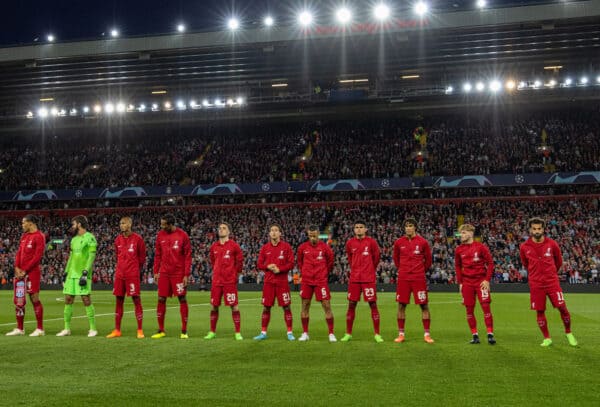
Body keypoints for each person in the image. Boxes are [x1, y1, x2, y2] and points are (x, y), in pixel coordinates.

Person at [519, 217, 578, 347]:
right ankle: (547, 338)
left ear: (544, 229)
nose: (537, 231)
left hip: (552, 283)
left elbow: (559, 262)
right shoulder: (524, 247)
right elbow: (525, 264)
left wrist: (551, 274)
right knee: (540, 311)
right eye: (534, 229)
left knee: (563, 308)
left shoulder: (552, 244)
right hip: (536, 285)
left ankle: (569, 333)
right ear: (530, 230)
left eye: (539, 228)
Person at [392, 218, 434, 344]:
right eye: (406, 226)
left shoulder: (423, 242)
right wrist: (403, 270)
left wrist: (419, 271)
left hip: (418, 278)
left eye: (411, 226)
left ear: (415, 227)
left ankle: (427, 334)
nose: (408, 228)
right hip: (403, 278)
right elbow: (396, 260)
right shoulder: (398, 243)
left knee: (424, 305)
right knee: (401, 306)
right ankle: (401, 334)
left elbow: (428, 261)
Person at [151, 214, 192, 339]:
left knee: (182, 299)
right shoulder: (160, 235)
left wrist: (186, 274)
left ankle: (184, 331)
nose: (162, 226)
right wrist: (156, 271)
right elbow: (157, 254)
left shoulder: (182, 235)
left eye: (164, 224)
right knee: (161, 299)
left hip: (178, 273)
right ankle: (161, 330)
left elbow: (188, 256)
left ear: (170, 224)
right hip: (164, 273)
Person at [341, 221, 383, 343]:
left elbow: (376, 258)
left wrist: (369, 270)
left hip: (368, 279)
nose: (358, 229)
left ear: (365, 229)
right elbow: (350, 258)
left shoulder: (371, 242)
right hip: (354, 279)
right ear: (354, 230)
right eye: (356, 227)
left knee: (373, 304)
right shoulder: (350, 243)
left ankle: (377, 334)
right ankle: (348, 333)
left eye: (361, 227)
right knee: (351, 305)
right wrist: (355, 269)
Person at [56, 215, 98, 337]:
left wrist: (85, 272)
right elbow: (71, 257)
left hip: (82, 274)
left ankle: (93, 328)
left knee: (86, 299)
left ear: (79, 224)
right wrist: (65, 272)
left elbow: (91, 256)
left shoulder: (90, 238)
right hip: (71, 274)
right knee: (68, 299)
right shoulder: (73, 240)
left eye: (73, 224)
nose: (72, 227)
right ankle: (67, 328)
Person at [454, 224, 496, 345]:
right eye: (460, 233)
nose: (461, 235)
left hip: (480, 281)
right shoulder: (459, 250)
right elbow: (457, 266)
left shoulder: (481, 247)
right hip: (467, 283)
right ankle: (475, 335)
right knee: (469, 309)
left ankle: (490, 334)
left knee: (486, 307)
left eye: (463, 233)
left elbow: (491, 264)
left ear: (470, 233)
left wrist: (487, 280)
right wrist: (460, 282)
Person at [107, 216, 146, 339]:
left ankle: (140, 330)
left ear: (129, 224)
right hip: (119, 275)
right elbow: (116, 256)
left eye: (123, 223)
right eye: (120, 223)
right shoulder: (117, 240)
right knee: (119, 301)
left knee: (136, 300)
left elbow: (142, 258)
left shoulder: (138, 239)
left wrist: (133, 269)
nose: (121, 225)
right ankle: (117, 330)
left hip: (132, 275)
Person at [254, 224, 295, 341]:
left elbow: (291, 263)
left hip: (282, 283)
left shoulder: (286, 247)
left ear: (280, 233)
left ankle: (289, 333)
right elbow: (259, 264)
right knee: (266, 308)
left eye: (276, 230)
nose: (274, 232)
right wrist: (268, 266)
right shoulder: (265, 248)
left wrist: (280, 269)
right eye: (272, 230)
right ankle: (263, 332)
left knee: (286, 307)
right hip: (269, 283)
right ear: (269, 233)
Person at [6, 214, 46, 337]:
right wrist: (17, 268)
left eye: (24, 223)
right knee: (19, 300)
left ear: (31, 223)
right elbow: (19, 253)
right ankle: (20, 329)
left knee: (34, 299)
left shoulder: (39, 236)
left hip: (32, 273)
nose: (22, 225)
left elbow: (37, 257)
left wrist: (25, 270)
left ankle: (40, 329)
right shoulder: (24, 236)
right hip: (20, 274)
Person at [296, 225, 336, 342]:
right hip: (307, 281)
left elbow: (330, 262)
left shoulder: (325, 247)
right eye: (310, 235)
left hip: (320, 281)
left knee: (326, 305)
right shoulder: (302, 248)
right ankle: (305, 333)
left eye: (314, 235)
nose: (312, 237)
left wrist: (323, 273)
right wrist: (305, 272)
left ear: (318, 234)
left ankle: (331, 333)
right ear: (308, 235)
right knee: (305, 305)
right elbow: (300, 262)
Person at [204, 222, 244, 341]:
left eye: (224, 228)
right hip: (216, 281)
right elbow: (212, 261)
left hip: (229, 281)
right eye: (220, 228)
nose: (221, 230)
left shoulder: (234, 246)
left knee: (234, 306)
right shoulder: (214, 246)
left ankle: (237, 332)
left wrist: (234, 275)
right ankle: (212, 332)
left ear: (229, 232)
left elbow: (239, 261)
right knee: (214, 306)